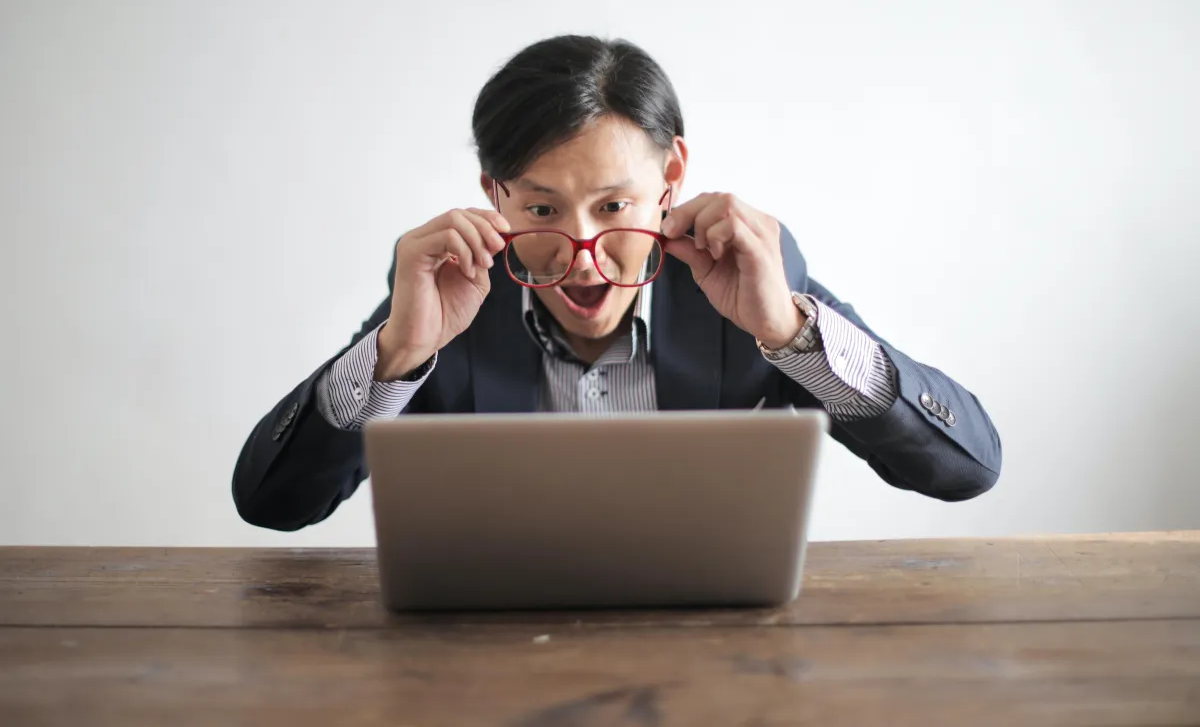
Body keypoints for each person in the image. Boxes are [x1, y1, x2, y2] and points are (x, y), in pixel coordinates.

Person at [233, 35, 1001, 532]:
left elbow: (966, 469)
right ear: (493, 194)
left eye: (613, 207)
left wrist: (791, 335)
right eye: (541, 208)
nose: (582, 253)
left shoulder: (747, 276)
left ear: (670, 179)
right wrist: (397, 354)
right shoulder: (451, 293)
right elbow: (272, 504)